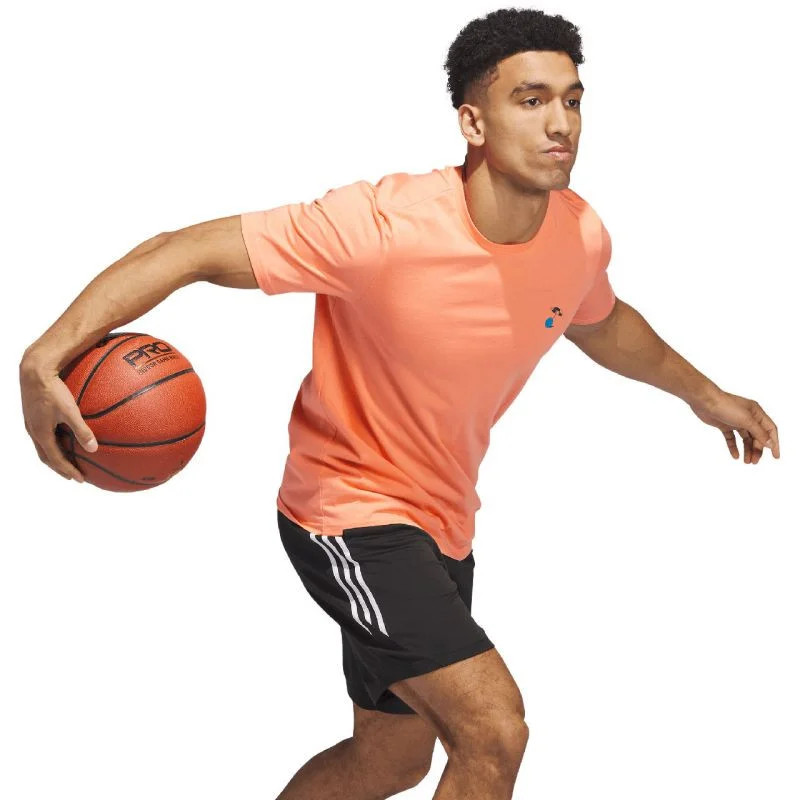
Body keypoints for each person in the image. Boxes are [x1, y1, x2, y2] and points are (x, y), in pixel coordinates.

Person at [19, 8, 780, 800]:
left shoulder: (578, 235)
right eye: (530, 100)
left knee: (391, 759)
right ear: (473, 122)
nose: (561, 123)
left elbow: (604, 324)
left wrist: (709, 397)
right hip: (347, 512)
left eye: (573, 100)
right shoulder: (381, 226)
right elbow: (188, 250)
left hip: (443, 520)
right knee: (493, 731)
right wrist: (45, 356)